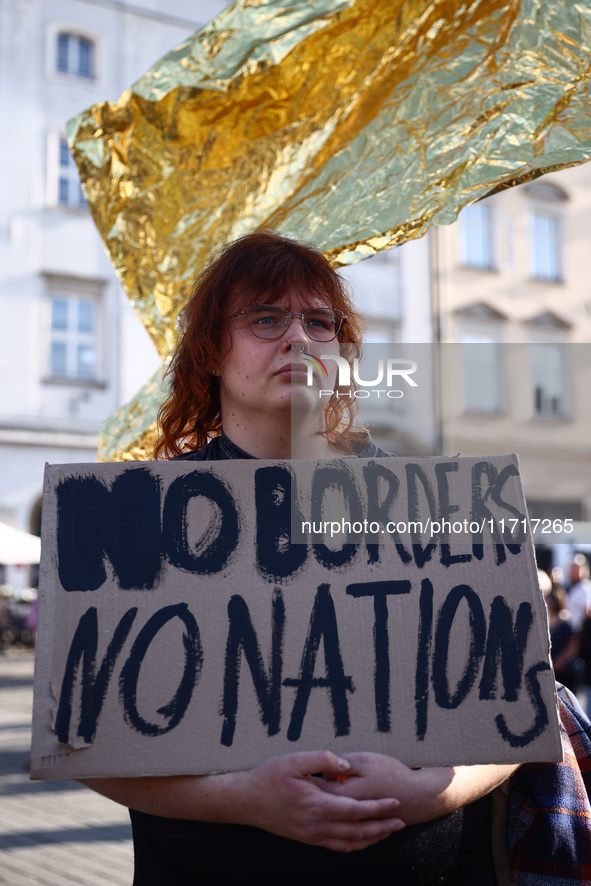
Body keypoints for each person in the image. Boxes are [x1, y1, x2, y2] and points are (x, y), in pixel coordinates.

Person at [86, 232, 521, 885]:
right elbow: (87, 742)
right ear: (209, 351)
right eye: (265, 318)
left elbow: (511, 712)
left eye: (319, 322)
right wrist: (243, 799)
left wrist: (426, 791)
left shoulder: (440, 504)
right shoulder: (134, 515)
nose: (298, 338)